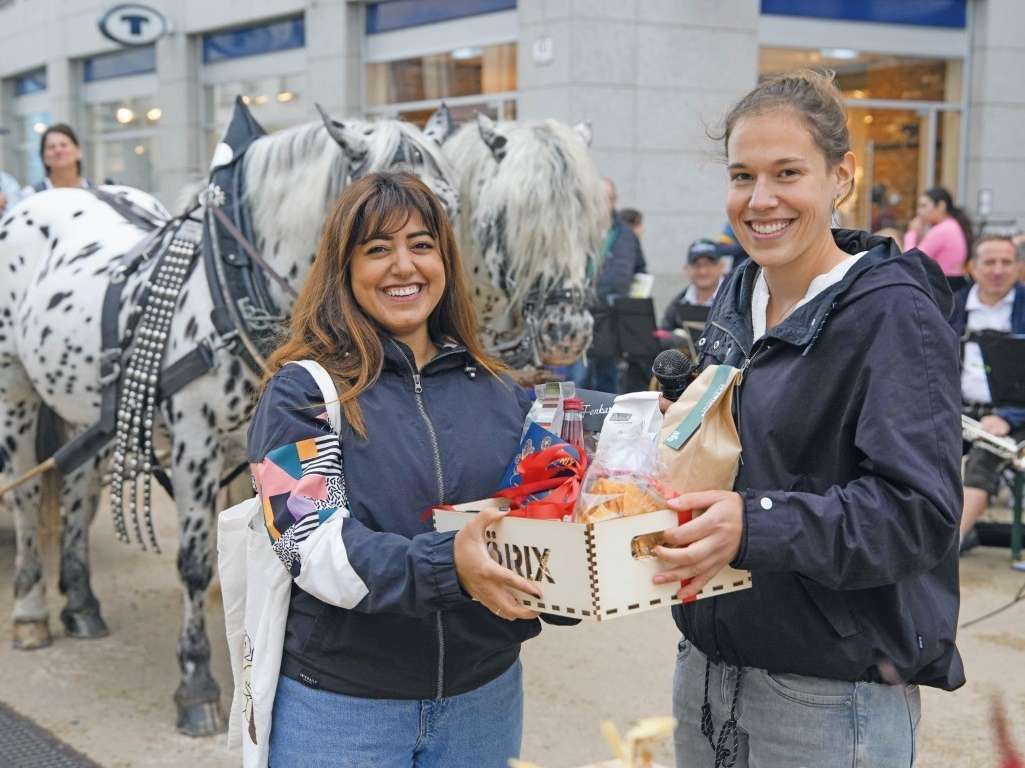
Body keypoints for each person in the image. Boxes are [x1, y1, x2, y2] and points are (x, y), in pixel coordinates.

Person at [655, 70, 963, 767]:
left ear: (840, 176)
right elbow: (756, 451)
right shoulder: (739, 290)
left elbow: (916, 515)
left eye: (786, 172)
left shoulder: (892, 315)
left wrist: (753, 522)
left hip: (829, 701)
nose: (759, 200)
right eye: (741, 175)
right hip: (704, 671)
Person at [247, 172, 559, 767]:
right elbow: (313, 547)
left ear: (445, 259)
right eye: (377, 249)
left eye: (421, 244)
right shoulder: (300, 395)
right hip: (343, 710)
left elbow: (543, 514)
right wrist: (451, 567)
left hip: (483, 701)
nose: (403, 266)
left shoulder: (500, 393)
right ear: (344, 268)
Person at [949, 235, 1025, 552]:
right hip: (958, 410)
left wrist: (1007, 418)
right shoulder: (952, 307)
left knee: (983, 460)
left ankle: (946, 550)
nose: (998, 270)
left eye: (1006, 262)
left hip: (1013, 416)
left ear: (1019, 267)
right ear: (972, 268)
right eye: (989, 262)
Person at [575, 178, 647, 393]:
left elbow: (640, 269)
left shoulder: (626, 234)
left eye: (607, 199)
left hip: (612, 317)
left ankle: (604, 422)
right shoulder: (577, 232)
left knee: (609, 377)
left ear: (614, 201)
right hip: (580, 314)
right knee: (578, 377)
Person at [659, 239, 728, 331]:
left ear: (722, 267)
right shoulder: (679, 302)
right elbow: (664, 333)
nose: (703, 271)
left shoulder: (734, 299)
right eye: (697, 265)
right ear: (686, 269)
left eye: (709, 264)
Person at [904, 186, 972, 278]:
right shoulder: (952, 225)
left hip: (943, 284)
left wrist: (912, 233)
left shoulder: (942, 230)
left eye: (924, 206)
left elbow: (911, 261)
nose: (919, 211)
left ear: (941, 206)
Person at [33, 123, 90, 191]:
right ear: (43, 156)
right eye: (51, 147)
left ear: (78, 151)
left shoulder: (99, 196)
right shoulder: (30, 196)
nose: (58, 150)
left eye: (63, 145)